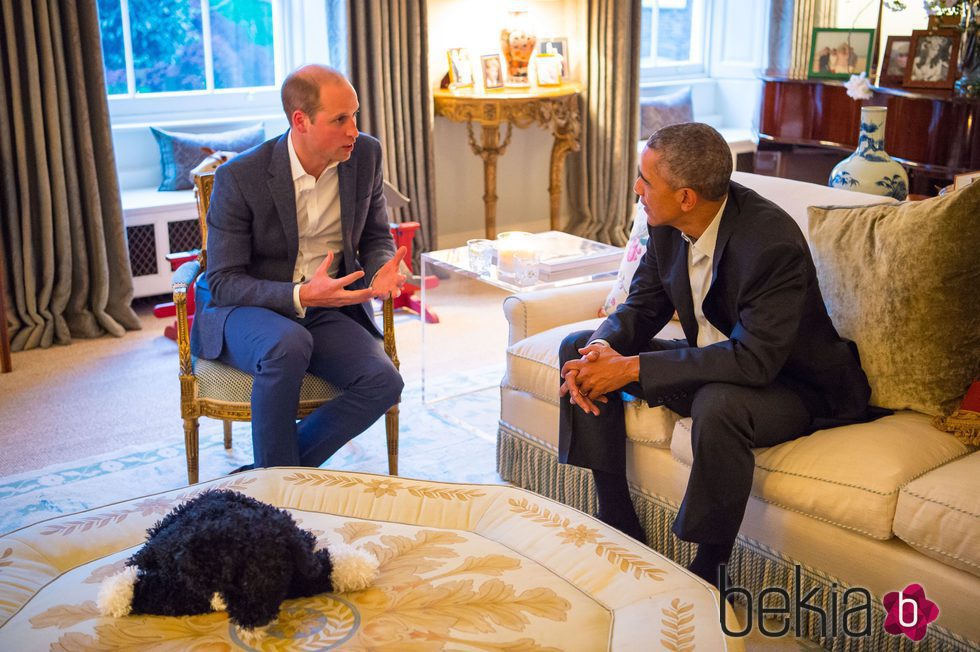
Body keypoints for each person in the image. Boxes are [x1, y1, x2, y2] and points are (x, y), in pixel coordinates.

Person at [557, 123, 883, 589]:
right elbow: (645, 302)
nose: (637, 189)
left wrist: (632, 367)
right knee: (578, 349)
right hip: (712, 364)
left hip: (789, 386)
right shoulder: (666, 223)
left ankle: (711, 568)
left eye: (646, 181)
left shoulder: (770, 243)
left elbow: (754, 360)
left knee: (718, 403)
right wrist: (603, 348)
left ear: (686, 196)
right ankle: (617, 517)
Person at [192, 64, 407, 472]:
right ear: (300, 120)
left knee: (384, 382)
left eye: (355, 115)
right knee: (288, 343)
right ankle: (277, 489)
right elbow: (222, 281)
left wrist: (382, 269)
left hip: (325, 310)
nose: (353, 131)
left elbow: (376, 236)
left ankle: (269, 477)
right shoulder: (240, 177)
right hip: (246, 309)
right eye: (340, 119)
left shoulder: (365, 155)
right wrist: (299, 295)